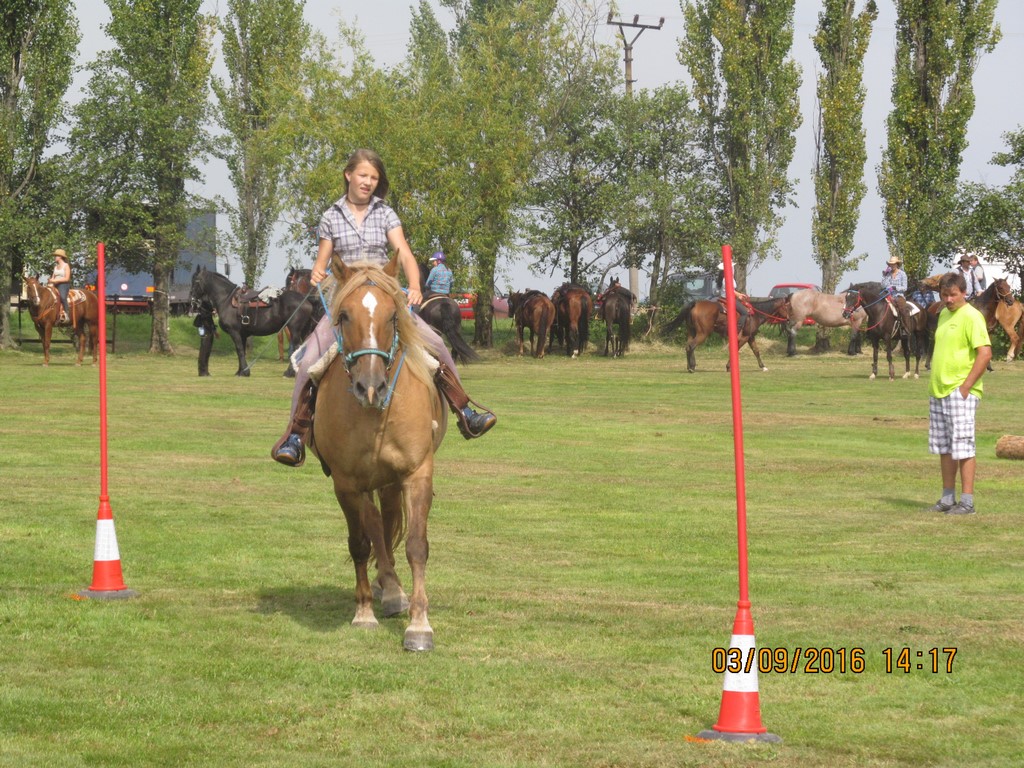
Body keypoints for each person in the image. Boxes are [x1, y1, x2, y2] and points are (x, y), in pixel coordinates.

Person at [271, 149, 495, 467]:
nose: (368, 182)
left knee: (436, 344)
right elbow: (322, 259)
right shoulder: (331, 216)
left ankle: (465, 411)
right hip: (347, 301)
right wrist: (318, 271)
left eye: (374, 178)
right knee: (309, 361)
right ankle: (295, 435)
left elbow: (403, 252)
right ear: (348, 175)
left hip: (384, 295)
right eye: (363, 175)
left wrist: (414, 285)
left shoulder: (385, 214)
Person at [925, 271, 992, 515]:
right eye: (944, 295)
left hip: (959, 391)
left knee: (963, 447)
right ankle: (947, 499)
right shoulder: (943, 313)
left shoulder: (972, 316)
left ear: (964, 292)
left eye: (953, 295)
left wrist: (965, 388)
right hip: (938, 390)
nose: (949, 299)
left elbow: (985, 353)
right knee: (945, 448)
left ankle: (967, 502)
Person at [880, 255, 913, 333]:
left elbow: (905, 288)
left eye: (893, 264)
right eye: (891, 264)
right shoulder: (888, 274)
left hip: (899, 296)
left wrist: (895, 288)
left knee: (903, 310)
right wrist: (884, 276)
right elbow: (883, 286)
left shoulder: (902, 274)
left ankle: (906, 329)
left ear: (897, 264)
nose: (892, 265)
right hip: (888, 296)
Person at [715, 264, 748, 336]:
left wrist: (739, 294)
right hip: (729, 299)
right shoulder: (727, 279)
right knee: (744, 312)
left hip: (722, 298)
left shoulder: (721, 279)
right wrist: (738, 295)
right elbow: (730, 290)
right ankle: (737, 330)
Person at [49, 248, 72, 320]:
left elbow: (67, 278)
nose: (55, 257)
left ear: (60, 257)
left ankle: (67, 313)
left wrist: (56, 280)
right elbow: (53, 277)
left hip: (63, 285)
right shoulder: (55, 267)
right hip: (55, 284)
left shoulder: (66, 266)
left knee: (62, 297)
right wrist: (51, 281)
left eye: (56, 256)